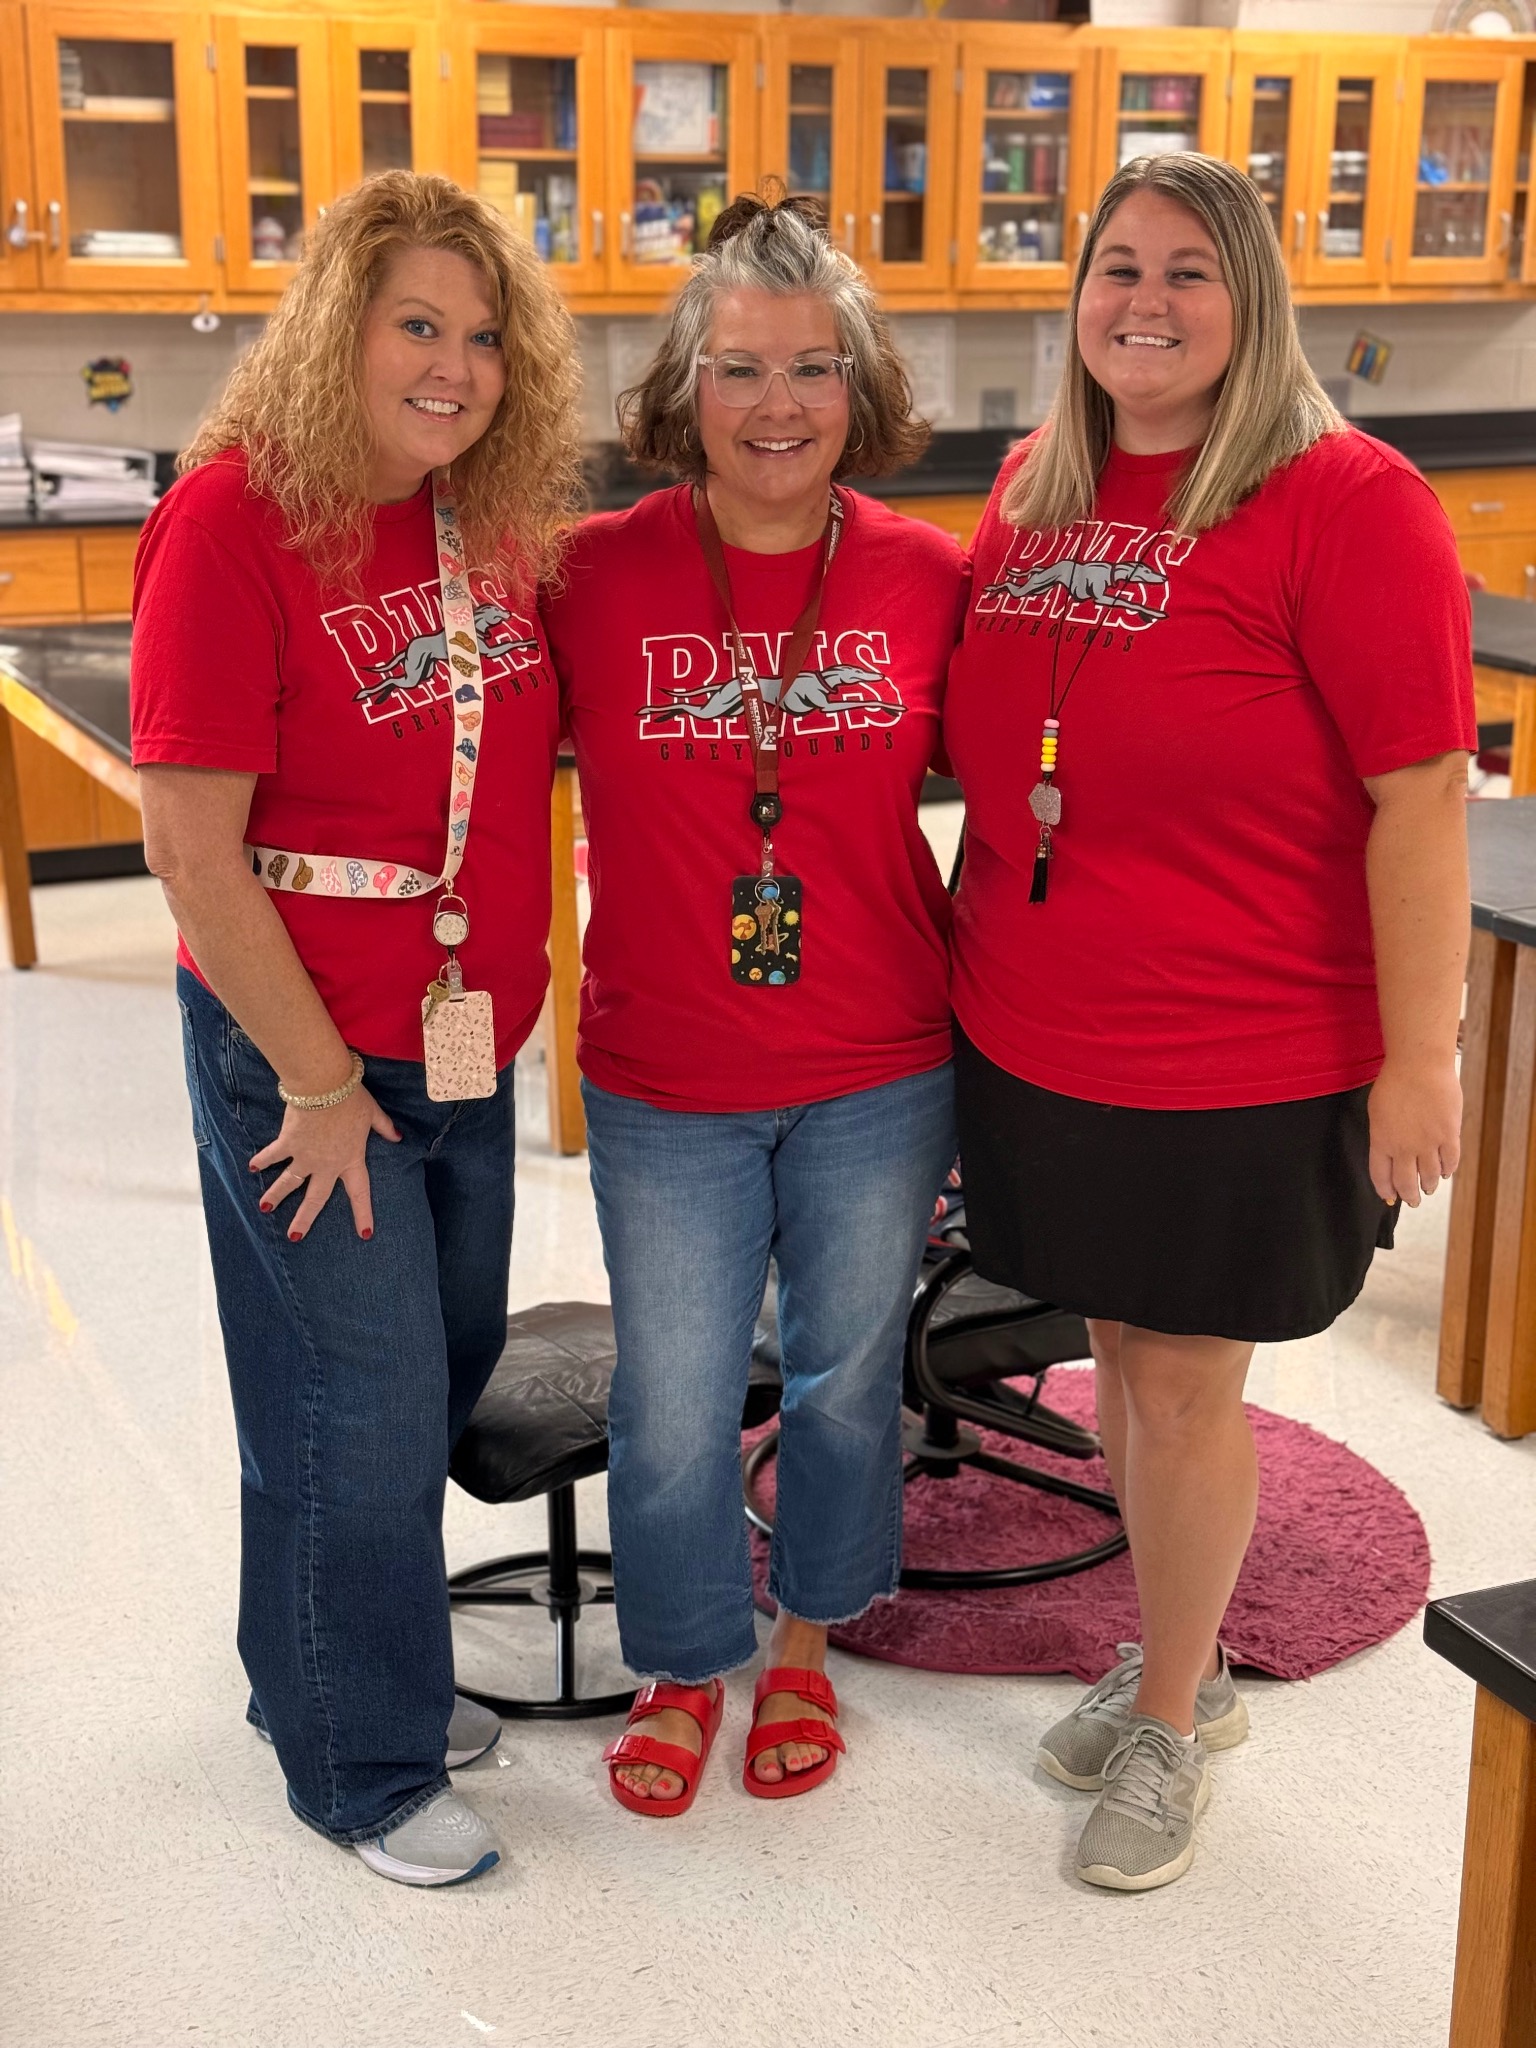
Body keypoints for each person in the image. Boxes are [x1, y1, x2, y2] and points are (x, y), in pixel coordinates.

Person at [944, 152, 1475, 1892]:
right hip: (1040, 1032)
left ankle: (1174, 1714)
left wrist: (1422, 1057)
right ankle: (1179, 1654)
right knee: (1119, 1357)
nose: (1146, 302)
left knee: (1181, 1390)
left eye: (1189, 271)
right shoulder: (1039, 479)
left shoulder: (1350, 500)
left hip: (1238, 1051)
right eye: (1118, 267)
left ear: (1253, 300)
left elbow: (1422, 796)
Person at [130, 171, 582, 1886]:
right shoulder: (233, 521)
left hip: (457, 1044)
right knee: (360, 1410)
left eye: (484, 335)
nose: (455, 366)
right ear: (339, 327)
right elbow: (189, 849)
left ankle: (318, 1669)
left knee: (422, 1383)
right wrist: (317, 1081)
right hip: (309, 1057)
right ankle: (363, 1767)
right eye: (417, 324)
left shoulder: (478, 520)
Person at [542, 194, 963, 1815]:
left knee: (848, 1378)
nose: (777, 404)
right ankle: (683, 1655)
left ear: (859, 387)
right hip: (667, 1071)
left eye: (812, 368)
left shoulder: (930, 578)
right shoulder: (587, 574)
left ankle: (807, 1635)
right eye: (738, 369)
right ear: (684, 388)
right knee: (672, 1396)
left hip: (880, 1059)